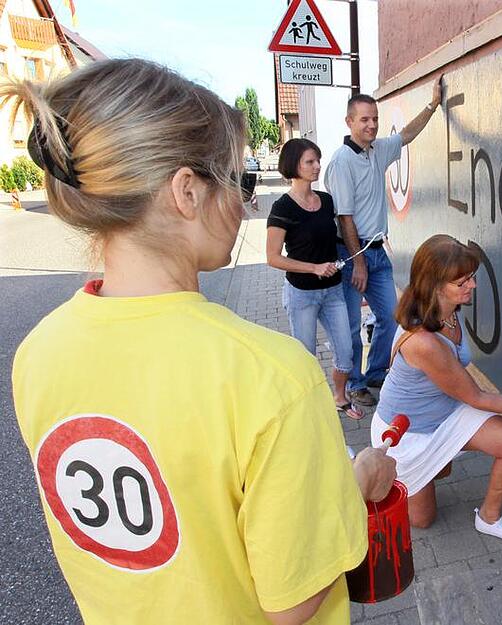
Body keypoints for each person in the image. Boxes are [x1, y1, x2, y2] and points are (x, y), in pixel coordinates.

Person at [6, 59, 395, 625]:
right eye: (236, 181)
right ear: (186, 191)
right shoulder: (273, 376)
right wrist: (357, 483)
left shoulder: (38, 353)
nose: (243, 205)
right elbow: (293, 602)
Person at [371, 235, 502, 548]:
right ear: (436, 285)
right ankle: (372, 471)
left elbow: (465, 392)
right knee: (422, 520)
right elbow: (478, 398)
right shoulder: (424, 341)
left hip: (445, 411)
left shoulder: (449, 310)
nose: (472, 285)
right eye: (463, 281)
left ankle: (489, 518)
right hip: (407, 433)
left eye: (472, 277)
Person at [324, 77, 443, 407]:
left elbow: (406, 136)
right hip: (352, 254)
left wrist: (432, 105)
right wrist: (358, 261)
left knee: (392, 316)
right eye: (364, 119)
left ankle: (376, 371)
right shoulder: (341, 161)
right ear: (350, 122)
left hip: (377, 251)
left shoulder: (376, 151)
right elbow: (343, 217)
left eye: (375, 118)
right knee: (349, 325)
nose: (371, 125)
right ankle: (354, 384)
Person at [267, 138, 362, 420]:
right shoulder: (282, 207)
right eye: (310, 161)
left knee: (346, 352)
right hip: (302, 294)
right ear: (293, 166)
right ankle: (310, 408)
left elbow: (336, 236)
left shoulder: (327, 201)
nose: (317, 166)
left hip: (333, 291)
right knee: (306, 357)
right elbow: (272, 257)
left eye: (318, 160)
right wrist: (314, 268)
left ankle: (339, 397)